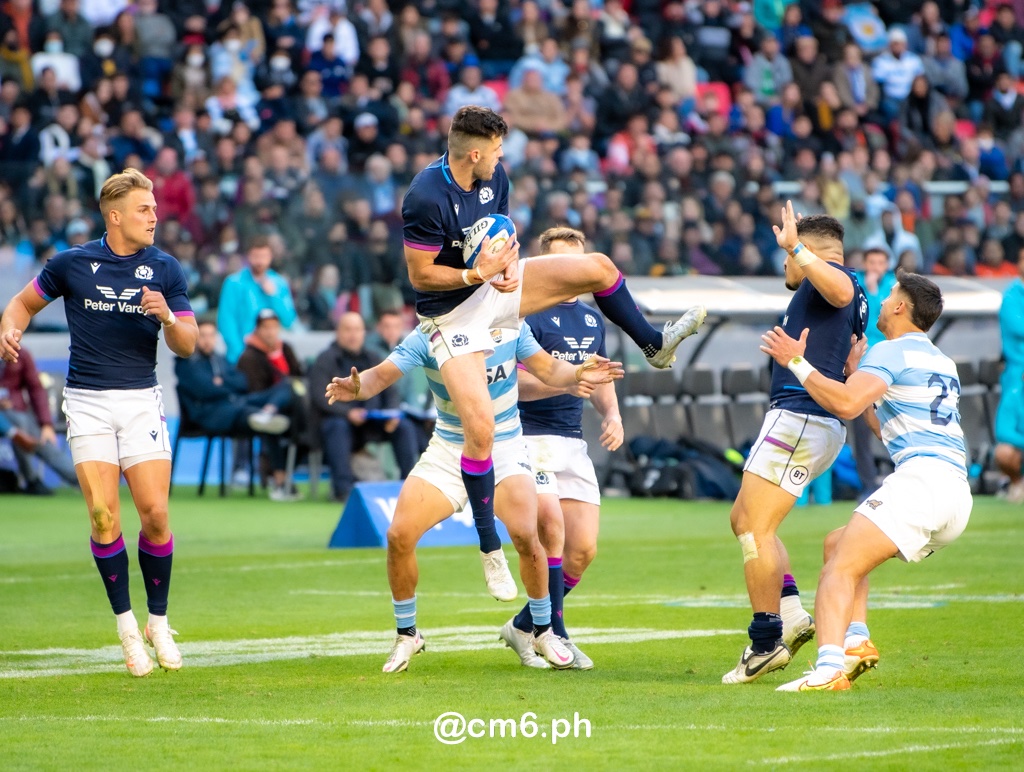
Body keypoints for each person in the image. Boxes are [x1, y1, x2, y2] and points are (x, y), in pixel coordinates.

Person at [402, 105, 705, 612]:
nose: (502, 157)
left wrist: (500, 267)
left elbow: (496, 236)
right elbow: (420, 276)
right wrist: (477, 276)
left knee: (599, 267)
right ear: (474, 151)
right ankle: (487, 548)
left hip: (495, 291)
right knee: (480, 428)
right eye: (496, 149)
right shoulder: (425, 194)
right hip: (450, 318)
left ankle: (652, 343)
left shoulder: (493, 176)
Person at [323, 323, 624, 673]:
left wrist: (576, 371)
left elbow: (547, 368)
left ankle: (543, 631)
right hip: (449, 449)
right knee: (398, 536)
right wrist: (358, 388)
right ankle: (408, 635)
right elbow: (380, 375)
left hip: (506, 447)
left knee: (528, 535)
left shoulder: (511, 327)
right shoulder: (429, 334)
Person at [0, 168, 199, 677]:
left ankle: (159, 621)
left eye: (154, 208)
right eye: (143, 209)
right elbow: (22, 304)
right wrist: (9, 329)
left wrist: (168, 318)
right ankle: (128, 628)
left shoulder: (166, 269)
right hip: (87, 402)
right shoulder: (71, 263)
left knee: (154, 514)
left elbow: (189, 344)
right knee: (104, 518)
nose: (154, 216)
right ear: (115, 217)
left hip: (140, 400)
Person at [762, 272, 972, 691]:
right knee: (838, 544)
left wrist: (796, 361)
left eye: (891, 293)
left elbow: (844, 402)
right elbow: (883, 427)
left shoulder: (891, 352)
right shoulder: (941, 361)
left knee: (837, 571)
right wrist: (858, 373)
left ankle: (828, 670)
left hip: (921, 483)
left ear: (900, 306)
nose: (883, 299)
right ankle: (856, 641)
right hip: (955, 495)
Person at [723, 202, 867, 686]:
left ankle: (765, 644)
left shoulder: (835, 279)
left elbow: (840, 286)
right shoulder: (835, 291)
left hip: (802, 417)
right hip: (806, 420)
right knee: (744, 518)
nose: (786, 262)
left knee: (755, 530)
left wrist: (797, 248)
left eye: (790, 253)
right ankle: (789, 611)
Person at [501, 227, 623, 670]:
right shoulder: (525, 313)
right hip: (528, 439)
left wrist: (612, 414)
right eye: (561, 264)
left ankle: (523, 625)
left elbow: (600, 376)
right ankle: (555, 634)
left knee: (583, 549)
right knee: (550, 525)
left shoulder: (593, 319)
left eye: (578, 262)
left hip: (572, 441)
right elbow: (510, 385)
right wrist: (569, 379)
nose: (572, 272)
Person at [308, 312, 419, 503]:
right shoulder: (325, 360)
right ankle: (343, 491)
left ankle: (408, 488)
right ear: (338, 332)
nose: (353, 334)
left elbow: (391, 392)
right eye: (348, 329)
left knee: (404, 427)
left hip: (371, 422)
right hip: (339, 423)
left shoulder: (373, 357)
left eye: (357, 329)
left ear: (363, 333)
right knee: (337, 426)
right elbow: (319, 397)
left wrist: (392, 413)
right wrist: (347, 413)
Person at [174, 318, 293, 437]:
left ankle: (268, 411)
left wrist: (222, 381)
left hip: (236, 402)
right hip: (211, 413)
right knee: (244, 412)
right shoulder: (187, 364)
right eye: (203, 336)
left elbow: (243, 382)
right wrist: (227, 386)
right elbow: (206, 390)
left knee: (286, 386)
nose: (207, 340)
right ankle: (261, 417)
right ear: (195, 338)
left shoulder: (219, 359)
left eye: (211, 335)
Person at [236, 308, 305, 502]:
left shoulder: (286, 349)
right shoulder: (248, 356)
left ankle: (282, 475)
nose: (270, 332)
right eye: (266, 327)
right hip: (257, 405)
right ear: (257, 329)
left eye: (274, 327)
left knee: (308, 427)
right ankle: (280, 478)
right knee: (272, 422)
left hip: (290, 408)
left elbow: (299, 376)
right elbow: (253, 392)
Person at [0, 343, 78, 494]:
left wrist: (46, 424)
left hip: (15, 414)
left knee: (31, 429)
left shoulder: (20, 354)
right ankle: (32, 480)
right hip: (13, 417)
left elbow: (36, 388)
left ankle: (79, 479)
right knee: (20, 423)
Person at [216, 235, 297, 365]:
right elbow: (226, 321)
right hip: (241, 356)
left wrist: (274, 295)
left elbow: (288, 320)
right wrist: (240, 355)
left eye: (264, 256)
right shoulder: (234, 283)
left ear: (271, 257)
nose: (260, 261)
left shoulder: (279, 283)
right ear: (248, 257)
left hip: (271, 357)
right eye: (256, 256)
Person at [994, 247, 1024, 502]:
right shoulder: (1011, 297)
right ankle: (1017, 482)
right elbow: (1019, 326)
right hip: (1017, 368)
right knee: (1004, 450)